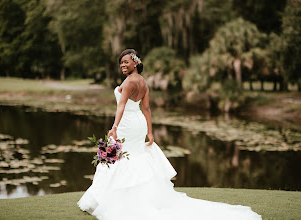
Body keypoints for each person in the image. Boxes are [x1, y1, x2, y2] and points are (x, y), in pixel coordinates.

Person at [77, 49, 261, 220]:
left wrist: (114, 127)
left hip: (126, 123)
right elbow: (147, 108)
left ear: (135, 63)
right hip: (139, 123)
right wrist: (150, 131)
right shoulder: (143, 82)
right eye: (121, 63)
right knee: (134, 156)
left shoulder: (128, 82)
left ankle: (115, 200)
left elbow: (121, 106)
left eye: (126, 62)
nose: (123, 65)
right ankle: (139, 196)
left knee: (117, 158)